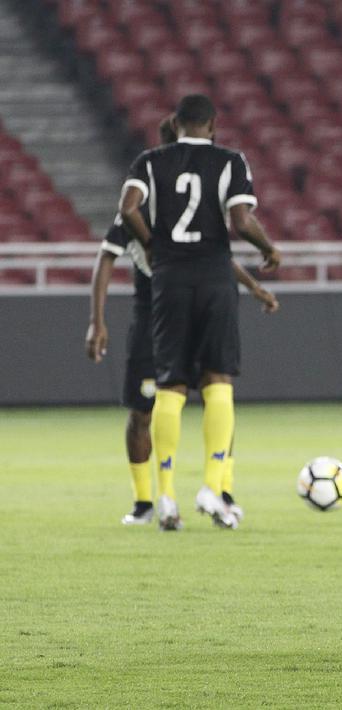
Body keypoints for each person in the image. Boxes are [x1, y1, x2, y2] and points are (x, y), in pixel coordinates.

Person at [88, 116, 279, 527]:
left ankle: (219, 491)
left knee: (213, 392)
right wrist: (97, 320)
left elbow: (219, 258)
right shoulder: (144, 212)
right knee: (152, 407)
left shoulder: (175, 206)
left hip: (185, 301)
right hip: (153, 312)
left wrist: (253, 288)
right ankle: (147, 502)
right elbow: (106, 256)